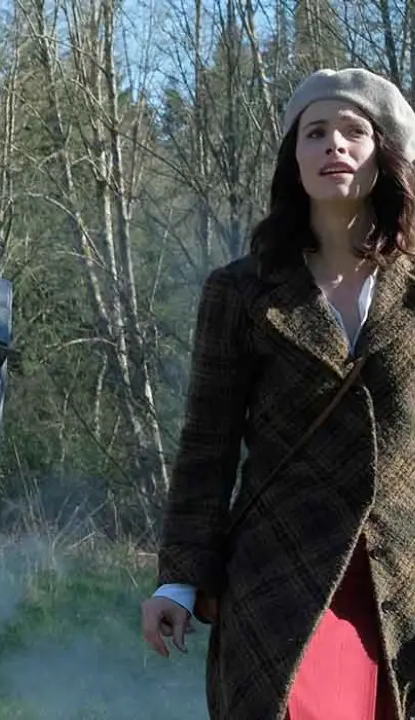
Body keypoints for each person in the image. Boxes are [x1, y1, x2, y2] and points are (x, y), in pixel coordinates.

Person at [140, 67, 415, 719]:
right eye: (314, 132)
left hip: (402, 578)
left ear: (385, 155)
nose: (333, 144)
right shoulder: (242, 291)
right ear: (294, 159)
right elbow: (207, 447)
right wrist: (179, 580)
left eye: (353, 131)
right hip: (279, 577)